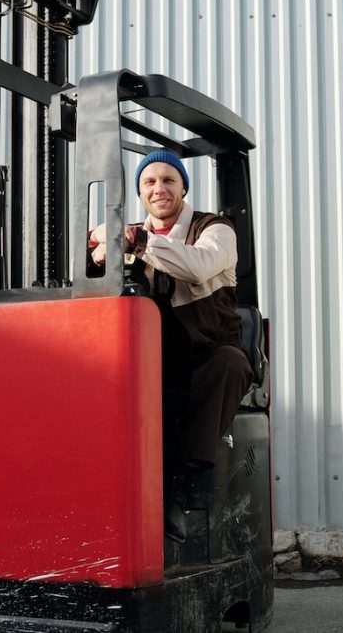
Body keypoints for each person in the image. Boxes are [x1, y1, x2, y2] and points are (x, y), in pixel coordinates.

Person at [90, 150, 252, 543]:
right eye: (150, 182)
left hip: (207, 354)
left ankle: (181, 485)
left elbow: (196, 266)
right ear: (141, 192)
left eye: (168, 180)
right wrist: (95, 250)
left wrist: (138, 243)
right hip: (152, 357)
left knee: (228, 363)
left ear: (183, 186)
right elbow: (94, 273)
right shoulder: (128, 233)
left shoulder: (215, 229)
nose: (159, 188)